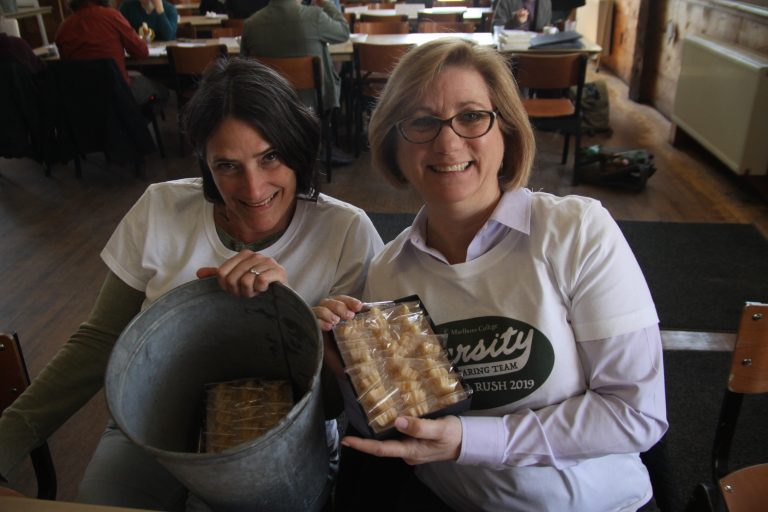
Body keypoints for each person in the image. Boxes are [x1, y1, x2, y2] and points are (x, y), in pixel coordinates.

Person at [0, 56, 383, 510]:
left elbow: (341, 401)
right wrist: (8, 438)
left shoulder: (347, 231)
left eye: (271, 157)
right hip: (157, 423)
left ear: (298, 149)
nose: (254, 188)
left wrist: (284, 313)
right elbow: (101, 340)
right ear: (204, 162)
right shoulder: (161, 207)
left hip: (283, 440)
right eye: (227, 165)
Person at [314, 38, 668, 511]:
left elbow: (635, 414)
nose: (447, 141)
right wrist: (351, 373)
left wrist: (469, 440)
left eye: (471, 116)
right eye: (421, 121)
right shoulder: (388, 271)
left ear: (507, 131)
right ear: (395, 147)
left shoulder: (575, 231)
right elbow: (405, 428)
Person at [240, 0, 349, 115]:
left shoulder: (250, 25)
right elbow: (344, 32)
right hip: (312, 107)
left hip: (268, 107)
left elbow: (244, 70)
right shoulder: (314, 17)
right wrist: (325, 2)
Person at [55, 0, 166, 105]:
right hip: (117, 92)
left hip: (82, 98)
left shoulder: (63, 29)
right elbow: (142, 52)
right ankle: (134, 121)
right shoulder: (112, 16)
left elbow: (66, 67)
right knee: (161, 90)